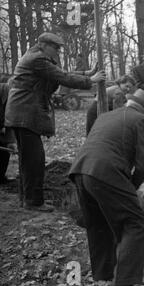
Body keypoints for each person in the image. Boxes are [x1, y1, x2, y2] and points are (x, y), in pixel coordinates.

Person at [4, 32, 106, 212]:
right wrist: (90, 80)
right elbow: (63, 77)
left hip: (23, 112)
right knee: (34, 159)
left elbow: (61, 72)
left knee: (28, 159)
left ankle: (26, 199)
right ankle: (34, 202)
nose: (58, 51)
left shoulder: (38, 57)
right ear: (43, 44)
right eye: (55, 47)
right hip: (25, 112)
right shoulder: (37, 59)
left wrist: (86, 73)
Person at [69, 88, 144, 286]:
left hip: (81, 170)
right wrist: (131, 188)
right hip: (106, 172)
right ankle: (124, 283)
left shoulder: (105, 116)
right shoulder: (142, 120)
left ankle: (103, 274)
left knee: (98, 222)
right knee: (135, 223)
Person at [0, 76, 17, 184]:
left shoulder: (12, 98)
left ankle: (1, 177)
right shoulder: (2, 90)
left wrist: (11, 141)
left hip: (3, 128)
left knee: (5, 151)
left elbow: (10, 117)